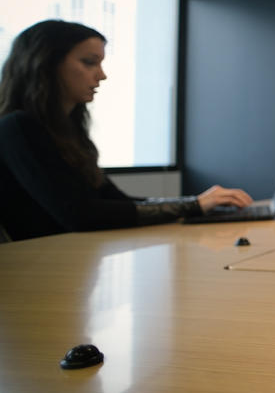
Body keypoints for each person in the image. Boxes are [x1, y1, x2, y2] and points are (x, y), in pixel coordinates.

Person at [0, 20, 253, 242]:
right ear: (44, 64)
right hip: (37, 273)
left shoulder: (70, 135)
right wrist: (193, 205)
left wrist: (198, 205)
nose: (102, 75)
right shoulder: (17, 127)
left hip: (72, 260)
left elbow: (120, 203)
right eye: (89, 63)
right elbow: (79, 215)